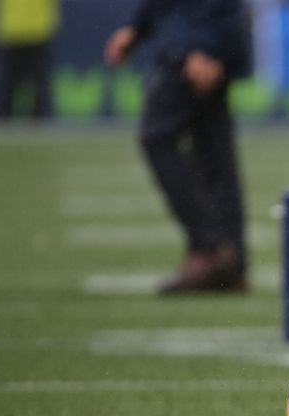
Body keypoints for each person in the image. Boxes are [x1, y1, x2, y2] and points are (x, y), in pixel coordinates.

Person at [104, 0, 252, 294]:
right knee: (212, 149)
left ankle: (210, 247)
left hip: (194, 41)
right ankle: (230, 263)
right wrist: (138, 26)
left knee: (158, 136)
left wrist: (202, 46)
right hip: (196, 34)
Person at [0, 0, 59, 119]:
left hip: (31, 30)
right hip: (22, 30)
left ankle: (37, 123)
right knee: (9, 85)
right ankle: (5, 123)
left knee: (37, 86)